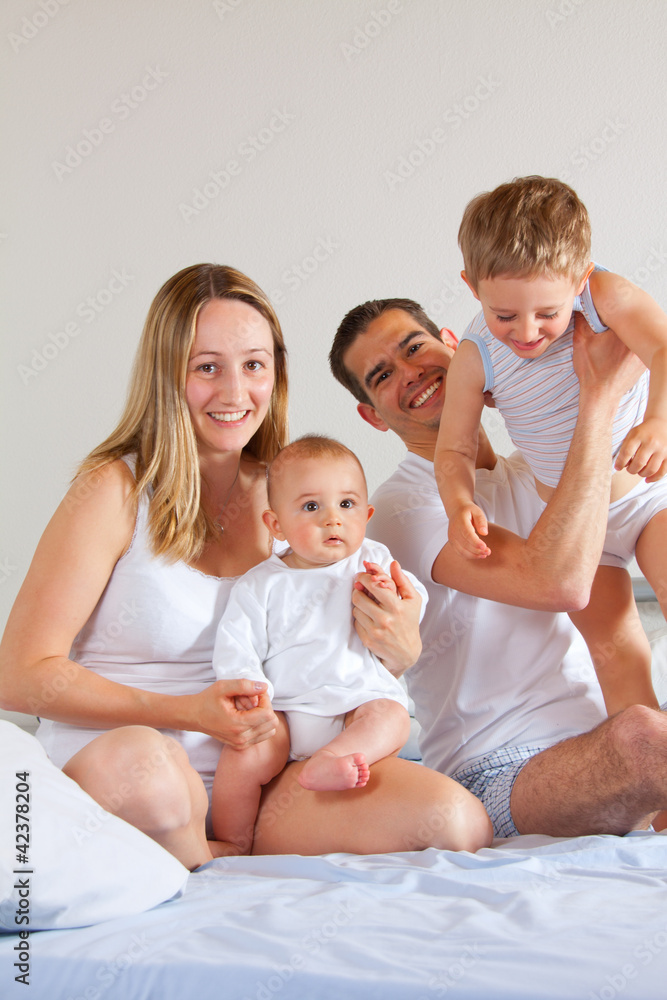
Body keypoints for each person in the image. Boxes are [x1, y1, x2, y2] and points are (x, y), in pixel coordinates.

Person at [0, 265, 492, 871]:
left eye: (254, 365)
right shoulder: (114, 490)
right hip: (126, 767)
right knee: (151, 769)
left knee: (456, 822)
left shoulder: (294, 502)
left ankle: (217, 855)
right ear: (167, 372)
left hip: (260, 784)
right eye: (207, 367)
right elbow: (19, 677)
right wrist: (186, 713)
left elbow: (338, 645)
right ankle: (195, 865)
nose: (236, 393)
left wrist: (399, 643)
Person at [330, 295, 667, 839]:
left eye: (415, 348)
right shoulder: (398, 509)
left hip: (602, 743)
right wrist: (598, 398)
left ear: (452, 345)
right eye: (383, 375)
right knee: (643, 739)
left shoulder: (535, 474)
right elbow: (558, 582)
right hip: (494, 771)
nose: (412, 373)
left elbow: (634, 511)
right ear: (373, 415)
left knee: (640, 735)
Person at [434, 176, 667, 716]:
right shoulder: (476, 355)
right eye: (505, 315)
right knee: (617, 655)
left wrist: (657, 420)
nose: (527, 332)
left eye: (547, 313)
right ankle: (657, 788)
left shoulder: (604, 293)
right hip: (575, 525)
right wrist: (459, 503)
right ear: (473, 287)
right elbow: (454, 449)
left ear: (579, 278)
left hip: (647, 498)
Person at [210, 435, 425, 854]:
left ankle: (333, 760)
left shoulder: (373, 561)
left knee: (392, 716)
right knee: (242, 757)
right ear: (275, 525)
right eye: (312, 507)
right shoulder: (262, 583)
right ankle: (232, 843)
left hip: (356, 705)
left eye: (347, 505)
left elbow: (413, 603)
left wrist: (391, 594)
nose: (333, 520)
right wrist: (251, 693)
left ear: (367, 513)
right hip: (287, 715)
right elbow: (237, 644)